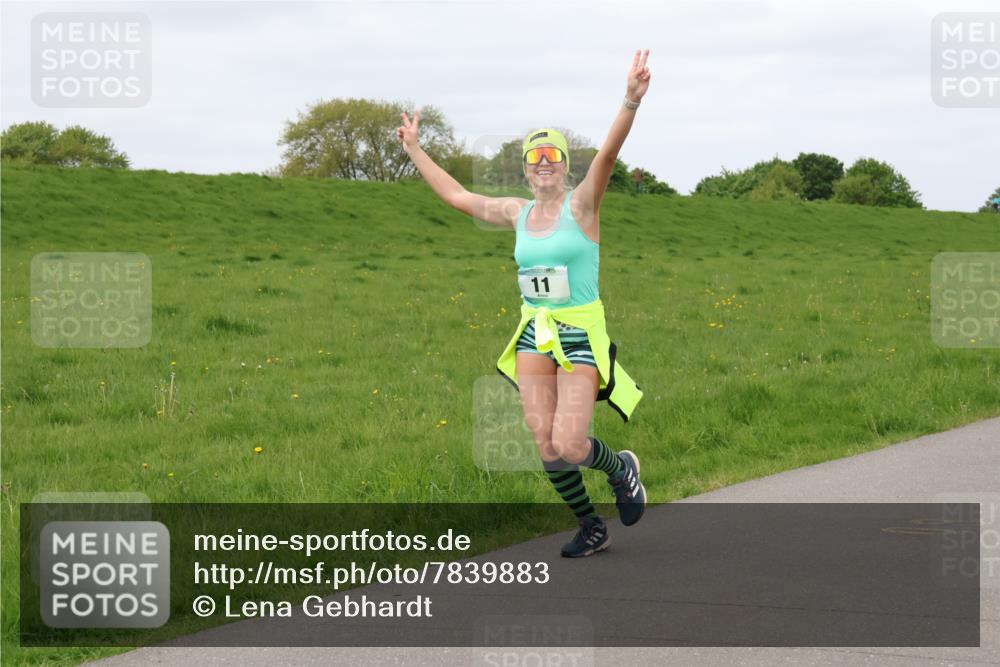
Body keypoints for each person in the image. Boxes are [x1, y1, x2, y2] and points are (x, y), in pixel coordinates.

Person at [398, 49, 652, 558]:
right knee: (545, 444)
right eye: (534, 158)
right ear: (525, 170)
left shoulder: (582, 207)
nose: (542, 165)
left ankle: (621, 468)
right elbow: (458, 197)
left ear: (563, 166)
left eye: (552, 157)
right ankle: (590, 526)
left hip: (579, 333)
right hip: (536, 331)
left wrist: (629, 100)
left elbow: (606, 156)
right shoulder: (516, 213)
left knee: (572, 444)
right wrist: (415, 151)